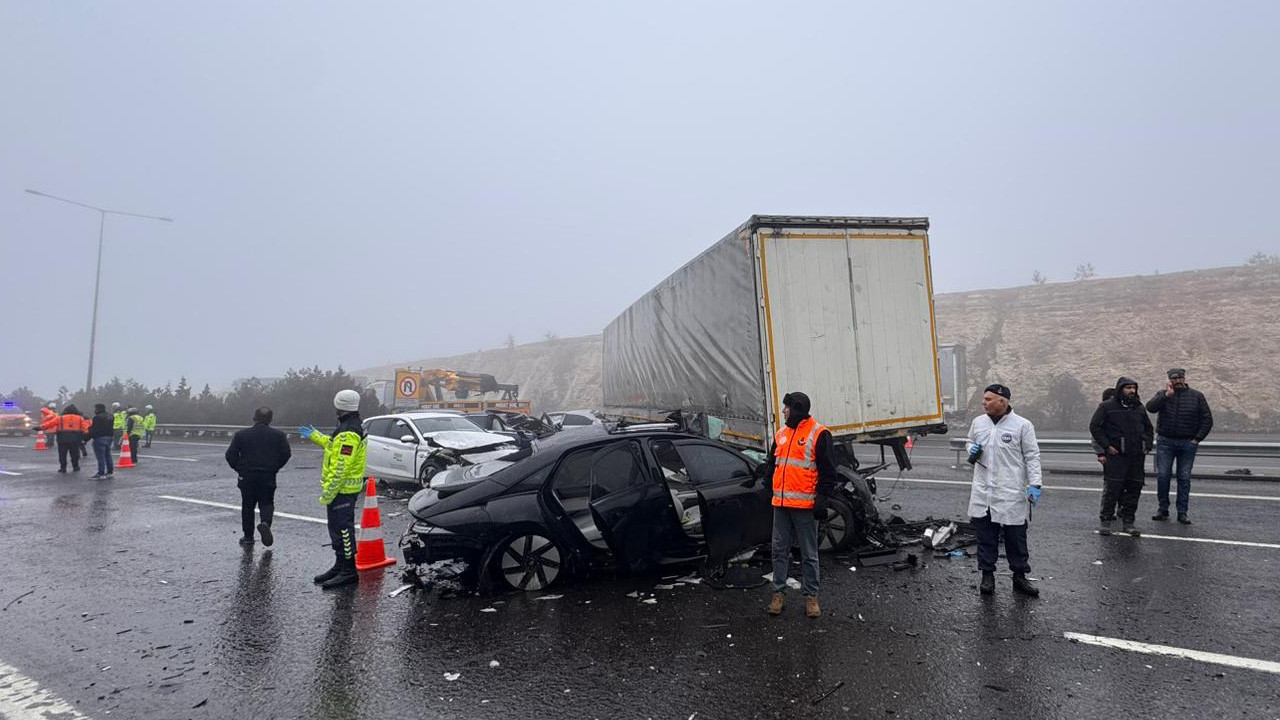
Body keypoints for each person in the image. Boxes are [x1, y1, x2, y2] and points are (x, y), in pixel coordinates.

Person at [761, 391, 837, 619]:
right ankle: (778, 594)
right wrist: (767, 482)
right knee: (779, 551)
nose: (783, 411)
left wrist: (821, 500)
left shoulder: (819, 434)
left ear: (796, 408)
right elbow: (773, 462)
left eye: (786, 408)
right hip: (781, 504)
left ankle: (812, 598)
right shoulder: (782, 433)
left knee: (809, 554)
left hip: (805, 506)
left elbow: (828, 472)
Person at [966, 384, 1042, 597]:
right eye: (984, 399)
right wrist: (970, 448)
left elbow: (1032, 456)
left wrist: (1035, 484)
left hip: (1010, 490)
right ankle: (987, 575)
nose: (984, 403)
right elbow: (970, 440)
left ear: (1003, 401)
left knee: (1015, 536)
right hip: (984, 490)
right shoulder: (978, 423)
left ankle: (1019, 576)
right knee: (985, 535)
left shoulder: (1022, 425)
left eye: (989, 399)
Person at [300, 390, 368, 590]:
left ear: (339, 405)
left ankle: (348, 571)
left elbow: (341, 467)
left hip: (343, 490)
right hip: (343, 489)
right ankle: (340, 565)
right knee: (337, 530)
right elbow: (333, 446)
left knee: (344, 531)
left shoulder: (349, 430)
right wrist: (316, 436)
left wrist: (329, 492)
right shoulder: (349, 425)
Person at [1146, 369, 1213, 524]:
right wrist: (1166, 395)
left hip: (1187, 443)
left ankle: (1182, 512)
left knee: (1184, 477)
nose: (1177, 380)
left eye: (1180, 377)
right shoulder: (1162, 394)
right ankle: (1163, 509)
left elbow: (1207, 419)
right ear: (1169, 380)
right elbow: (1150, 408)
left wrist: (1197, 439)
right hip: (1165, 442)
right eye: (1174, 378)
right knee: (1163, 476)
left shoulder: (1197, 396)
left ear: (1184, 378)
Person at [1089, 377, 1154, 537]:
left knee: (1134, 488)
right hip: (1117, 456)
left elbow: (1149, 428)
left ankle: (1128, 522)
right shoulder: (1107, 407)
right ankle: (1105, 522)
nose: (1132, 391)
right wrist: (1106, 446)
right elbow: (1094, 427)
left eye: (1134, 388)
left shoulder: (1139, 407)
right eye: (1128, 388)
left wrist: (1147, 444)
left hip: (1136, 457)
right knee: (1113, 489)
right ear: (1120, 389)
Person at [225, 406, 292, 547]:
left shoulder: (241, 435)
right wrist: (275, 467)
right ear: (271, 419)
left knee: (247, 505)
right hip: (268, 474)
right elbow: (286, 454)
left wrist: (239, 469)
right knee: (267, 502)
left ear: (254, 418)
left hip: (247, 475)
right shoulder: (279, 435)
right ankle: (265, 522)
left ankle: (248, 537)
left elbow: (230, 455)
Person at [42, 404, 88, 473]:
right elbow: (85, 429)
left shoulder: (60, 418)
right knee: (74, 454)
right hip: (75, 440)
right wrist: (85, 438)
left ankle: (63, 468)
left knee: (62, 455)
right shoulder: (79, 418)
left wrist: (40, 427)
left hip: (62, 439)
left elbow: (50, 424)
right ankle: (75, 467)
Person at [87, 403, 115, 478]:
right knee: (108, 455)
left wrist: (85, 438)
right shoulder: (111, 416)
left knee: (100, 457)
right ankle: (110, 472)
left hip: (100, 438)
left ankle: (101, 473)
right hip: (109, 437)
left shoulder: (97, 418)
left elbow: (94, 430)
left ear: (97, 409)